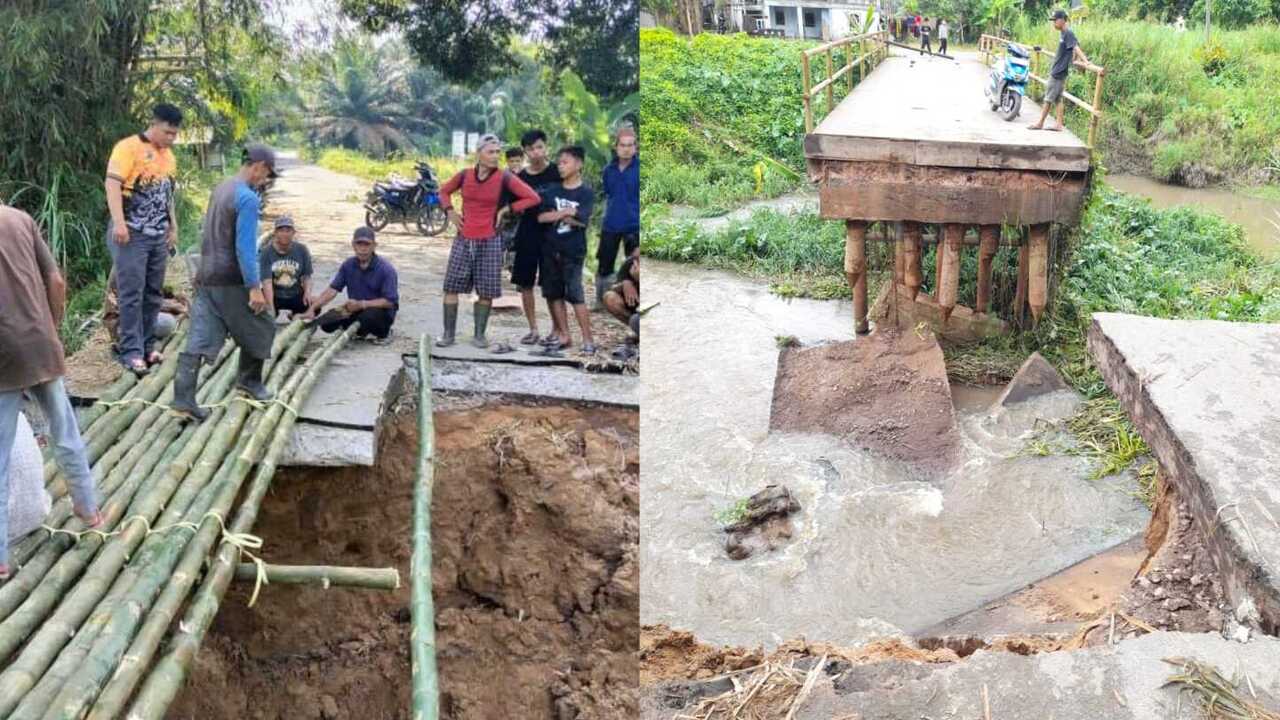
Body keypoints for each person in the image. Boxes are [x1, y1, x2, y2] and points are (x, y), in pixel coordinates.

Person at [0, 203, 103, 579]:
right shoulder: (21, 220)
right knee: (65, 432)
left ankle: (1, 558)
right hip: (42, 343)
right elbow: (56, 282)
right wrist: (52, 327)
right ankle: (89, 510)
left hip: (3, 355)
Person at [170, 144, 279, 422]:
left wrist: (200, 269)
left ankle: (183, 399)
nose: (264, 179)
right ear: (258, 165)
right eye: (266, 173)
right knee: (263, 324)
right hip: (232, 279)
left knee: (200, 337)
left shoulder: (221, 188)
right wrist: (254, 287)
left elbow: (206, 233)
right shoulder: (247, 198)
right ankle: (249, 381)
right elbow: (245, 248)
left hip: (207, 276)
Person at [436, 134, 540, 349]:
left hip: (491, 239)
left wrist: (507, 209)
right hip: (464, 238)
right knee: (451, 287)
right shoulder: (465, 176)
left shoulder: (504, 178)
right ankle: (448, 335)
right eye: (490, 152)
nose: (495, 157)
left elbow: (532, 198)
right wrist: (450, 212)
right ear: (479, 153)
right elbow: (443, 191)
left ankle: (479, 335)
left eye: (497, 153)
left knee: (486, 290)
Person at [104, 102, 183, 377]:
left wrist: (173, 226)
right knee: (131, 293)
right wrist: (120, 223)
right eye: (167, 132)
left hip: (157, 235)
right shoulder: (128, 148)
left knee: (153, 293)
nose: (171, 138)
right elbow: (112, 184)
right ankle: (131, 351)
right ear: (154, 124)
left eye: (175, 134)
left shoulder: (168, 156)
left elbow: (167, 194)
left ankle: (149, 346)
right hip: (132, 233)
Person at [504, 129, 562, 345]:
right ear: (525, 151)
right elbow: (512, 206)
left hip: (552, 235)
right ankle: (533, 329)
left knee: (552, 284)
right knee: (525, 283)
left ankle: (557, 330)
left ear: (546, 147)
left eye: (539, 147)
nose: (536, 152)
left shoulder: (558, 172)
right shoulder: (520, 178)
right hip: (527, 232)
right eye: (530, 148)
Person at [537, 146, 597, 354]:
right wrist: (566, 213)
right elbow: (542, 217)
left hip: (573, 251)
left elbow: (582, 221)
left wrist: (563, 215)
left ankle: (588, 339)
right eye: (559, 163)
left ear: (578, 164)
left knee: (576, 294)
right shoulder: (552, 190)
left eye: (565, 162)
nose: (561, 166)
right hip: (550, 248)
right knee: (554, 294)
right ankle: (564, 335)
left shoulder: (586, 193)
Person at [302, 227, 399, 342]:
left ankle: (383, 332)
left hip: (379, 312)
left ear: (374, 246)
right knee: (327, 323)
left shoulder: (386, 269)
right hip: (355, 309)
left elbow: (390, 302)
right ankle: (358, 330)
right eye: (359, 244)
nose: (363, 249)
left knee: (368, 318)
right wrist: (312, 309)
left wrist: (362, 304)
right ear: (353, 245)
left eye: (367, 245)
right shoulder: (348, 265)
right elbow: (332, 290)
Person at [1030, 10, 1104, 132]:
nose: (1053, 23)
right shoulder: (1064, 33)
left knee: (1048, 99)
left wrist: (1085, 61)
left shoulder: (1068, 33)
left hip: (1058, 72)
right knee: (1058, 99)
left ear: (1062, 20)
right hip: (1059, 70)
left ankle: (1040, 123)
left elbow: (1075, 46)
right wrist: (1075, 59)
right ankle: (1058, 125)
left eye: (1055, 20)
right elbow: (1072, 48)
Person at [596, 126, 640, 308]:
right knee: (604, 264)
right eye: (623, 145)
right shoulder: (608, 170)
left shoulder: (641, 169)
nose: (626, 149)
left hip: (634, 224)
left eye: (630, 145)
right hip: (611, 223)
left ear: (636, 147)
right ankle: (601, 301)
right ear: (616, 147)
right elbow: (608, 192)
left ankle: (632, 303)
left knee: (635, 264)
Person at [258, 215, 314, 319]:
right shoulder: (267, 252)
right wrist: (271, 307)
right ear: (275, 233)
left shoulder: (302, 250)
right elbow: (267, 281)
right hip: (274, 295)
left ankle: (294, 315)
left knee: (314, 305)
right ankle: (275, 313)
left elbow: (307, 276)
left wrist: (307, 292)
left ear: (293, 233)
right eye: (281, 230)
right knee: (257, 306)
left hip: (295, 293)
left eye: (288, 230)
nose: (285, 234)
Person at [603, 249, 640, 361]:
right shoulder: (631, 262)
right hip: (636, 313)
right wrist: (625, 283)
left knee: (635, 319)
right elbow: (611, 288)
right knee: (609, 297)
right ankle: (639, 332)